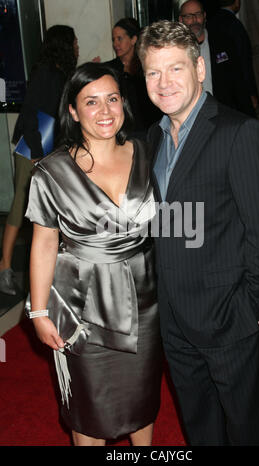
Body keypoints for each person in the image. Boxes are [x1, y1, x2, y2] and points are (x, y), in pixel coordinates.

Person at [137, 20, 259, 445]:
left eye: (175, 69)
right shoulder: (155, 137)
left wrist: (249, 314)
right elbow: (167, 224)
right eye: (153, 72)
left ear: (200, 69)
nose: (163, 83)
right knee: (200, 430)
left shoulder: (241, 133)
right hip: (176, 323)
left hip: (230, 324)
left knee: (247, 431)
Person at [24, 62, 162, 446]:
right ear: (73, 110)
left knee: (143, 397)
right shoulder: (51, 172)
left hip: (146, 300)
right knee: (89, 405)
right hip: (81, 307)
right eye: (91, 102)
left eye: (113, 99)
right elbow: (45, 243)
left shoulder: (147, 152)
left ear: (124, 103)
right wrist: (38, 312)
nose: (105, 111)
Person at [0, 25, 79, 295]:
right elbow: (32, 113)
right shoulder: (46, 73)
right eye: (74, 42)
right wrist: (36, 151)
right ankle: (4, 266)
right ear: (64, 45)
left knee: (42, 208)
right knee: (20, 205)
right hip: (33, 146)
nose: (77, 47)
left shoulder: (58, 72)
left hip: (45, 147)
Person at [178, 0, 255, 117]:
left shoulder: (223, 42)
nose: (194, 20)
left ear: (204, 16)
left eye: (198, 14)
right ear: (181, 20)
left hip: (222, 115)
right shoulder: (176, 51)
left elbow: (238, 81)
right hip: (190, 116)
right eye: (188, 16)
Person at [102, 18, 161, 136]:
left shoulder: (145, 66)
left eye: (120, 39)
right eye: (113, 40)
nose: (115, 44)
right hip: (121, 131)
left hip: (148, 130)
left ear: (133, 39)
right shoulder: (109, 69)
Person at [208, 0, 259, 113]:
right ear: (237, 2)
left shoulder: (210, 22)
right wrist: (250, 92)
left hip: (219, 91)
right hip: (238, 90)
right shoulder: (234, 24)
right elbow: (244, 61)